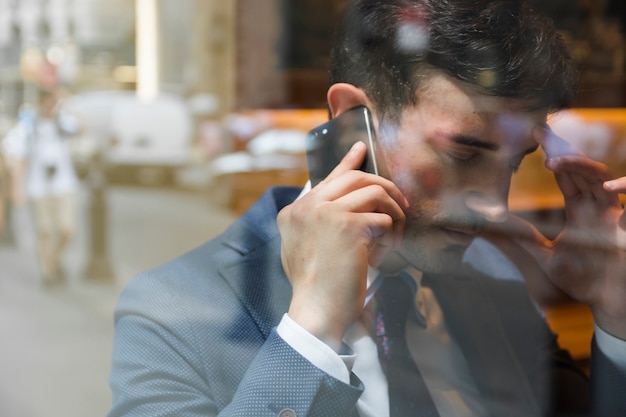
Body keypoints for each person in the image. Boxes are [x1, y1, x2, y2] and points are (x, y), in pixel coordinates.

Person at [108, 1, 626, 416]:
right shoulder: (171, 316)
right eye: (461, 154)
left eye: (515, 164)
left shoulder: (493, 275)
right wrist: (310, 332)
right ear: (354, 116)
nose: (494, 206)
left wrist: (615, 315)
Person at [2, 89, 81, 284]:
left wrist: (69, 104)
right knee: (44, 231)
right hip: (38, 188)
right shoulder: (29, 125)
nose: (50, 106)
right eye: (47, 102)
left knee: (66, 230)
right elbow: (18, 157)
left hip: (63, 185)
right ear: (40, 102)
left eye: (53, 102)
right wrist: (16, 188)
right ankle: (47, 272)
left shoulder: (62, 122)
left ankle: (54, 261)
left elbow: (82, 128)